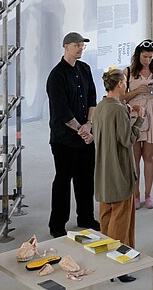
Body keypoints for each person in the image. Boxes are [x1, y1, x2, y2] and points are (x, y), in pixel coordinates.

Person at [92, 69, 145, 283]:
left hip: (103, 171)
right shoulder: (119, 110)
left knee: (106, 216)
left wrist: (127, 111)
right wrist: (139, 119)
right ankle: (120, 266)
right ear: (121, 84)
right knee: (122, 221)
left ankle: (105, 260)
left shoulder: (101, 107)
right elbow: (127, 139)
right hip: (119, 172)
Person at [46, 31, 100, 238]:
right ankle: (57, 225)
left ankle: (85, 217)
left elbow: (92, 99)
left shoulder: (85, 69)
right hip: (64, 139)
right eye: (77, 45)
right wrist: (81, 129)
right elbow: (61, 110)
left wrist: (89, 124)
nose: (80, 48)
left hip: (86, 135)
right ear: (66, 47)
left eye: (82, 45)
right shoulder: (57, 75)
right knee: (62, 181)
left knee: (85, 179)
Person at [122, 39, 153, 210]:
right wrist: (136, 91)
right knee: (134, 157)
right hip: (134, 113)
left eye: (150, 57)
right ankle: (135, 195)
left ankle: (148, 195)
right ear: (138, 55)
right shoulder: (127, 72)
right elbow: (120, 97)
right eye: (144, 56)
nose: (147, 60)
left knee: (149, 156)